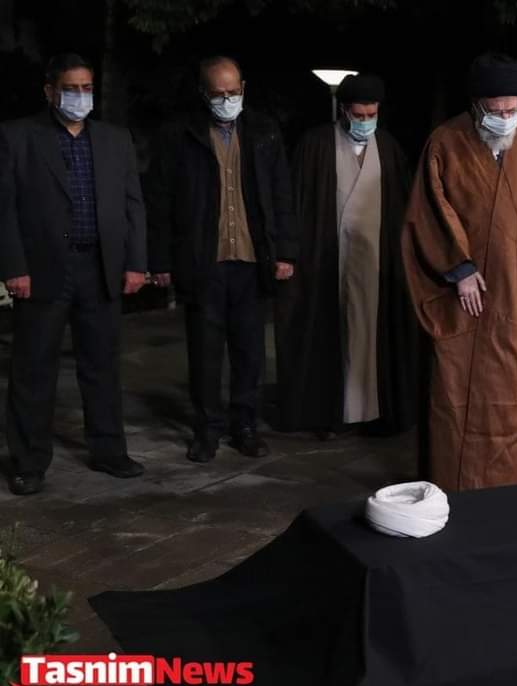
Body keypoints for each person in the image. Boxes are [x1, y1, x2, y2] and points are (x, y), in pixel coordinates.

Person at [401, 52, 517, 491]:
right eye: (496, 111)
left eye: (512, 110)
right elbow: (428, 213)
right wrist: (459, 268)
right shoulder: (445, 143)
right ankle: (459, 487)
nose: (504, 119)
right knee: (463, 399)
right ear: (476, 105)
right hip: (471, 301)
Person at [0, 53, 148, 496]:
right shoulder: (17, 136)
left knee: (102, 365)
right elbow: (4, 208)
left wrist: (135, 262)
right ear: (50, 91)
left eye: (87, 88)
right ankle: (28, 462)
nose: (80, 96)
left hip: (100, 268)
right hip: (43, 270)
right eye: (71, 88)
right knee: (33, 370)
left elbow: (133, 204)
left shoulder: (114, 139)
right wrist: (14, 268)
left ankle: (109, 450)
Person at [147, 56, 297, 463]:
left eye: (233, 92)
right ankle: (207, 429)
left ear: (243, 88)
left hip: (251, 260)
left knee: (250, 352)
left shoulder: (263, 131)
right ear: (203, 93)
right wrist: (160, 260)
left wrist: (286, 251)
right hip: (203, 261)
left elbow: (281, 193)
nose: (227, 99)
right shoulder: (179, 134)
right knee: (205, 352)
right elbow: (160, 200)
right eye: (218, 93)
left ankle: (245, 426)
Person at [275, 73, 417, 439]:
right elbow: (295, 202)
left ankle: (374, 412)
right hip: (326, 259)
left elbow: (405, 206)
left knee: (372, 333)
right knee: (329, 332)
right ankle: (330, 413)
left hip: (376, 263)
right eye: (359, 115)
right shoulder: (316, 145)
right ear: (343, 111)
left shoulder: (389, 148)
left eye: (372, 115)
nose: (365, 121)